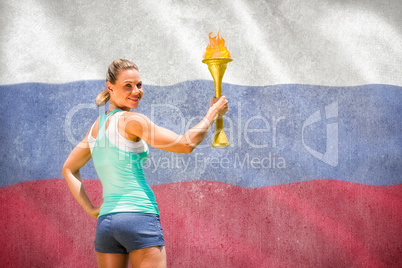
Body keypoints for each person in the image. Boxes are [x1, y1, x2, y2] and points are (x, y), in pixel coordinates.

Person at [62, 59, 229, 268]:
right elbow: (186, 143)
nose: (136, 91)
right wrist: (213, 113)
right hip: (139, 217)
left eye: (139, 85)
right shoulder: (133, 121)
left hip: (107, 225)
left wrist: (92, 209)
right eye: (128, 86)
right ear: (109, 87)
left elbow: (68, 168)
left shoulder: (97, 126)